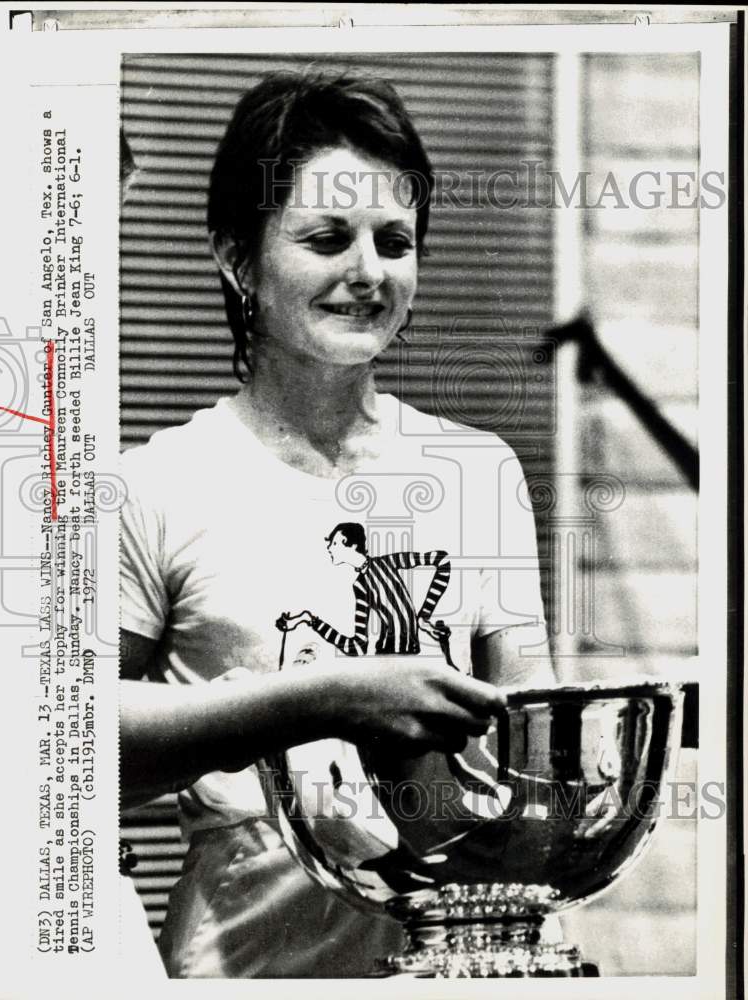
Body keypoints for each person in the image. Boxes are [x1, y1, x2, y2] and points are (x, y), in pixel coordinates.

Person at [119, 71, 552, 978]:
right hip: (246, 961)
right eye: (326, 239)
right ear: (238, 258)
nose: (368, 272)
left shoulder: (478, 472)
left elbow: (534, 754)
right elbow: (76, 749)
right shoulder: (152, 483)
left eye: (395, 242)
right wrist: (318, 701)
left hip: (450, 954)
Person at [279, 521, 452, 656]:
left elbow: (442, 560)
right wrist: (311, 621)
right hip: (388, 659)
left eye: (334, 543)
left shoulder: (388, 562)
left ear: (352, 545)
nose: (329, 547)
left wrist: (423, 616)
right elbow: (358, 647)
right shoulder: (360, 586)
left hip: (408, 658)